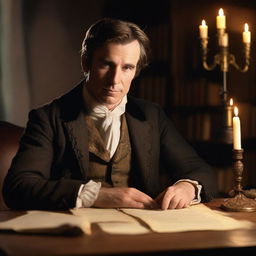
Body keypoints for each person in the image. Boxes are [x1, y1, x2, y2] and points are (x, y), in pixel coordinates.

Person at [3, 18, 217, 210]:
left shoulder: (152, 115)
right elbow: (19, 187)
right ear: (86, 63)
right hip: (75, 237)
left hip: (143, 236)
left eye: (127, 68)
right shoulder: (47, 118)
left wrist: (187, 187)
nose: (115, 80)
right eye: (107, 64)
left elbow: (200, 170)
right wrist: (96, 196)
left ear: (136, 71)